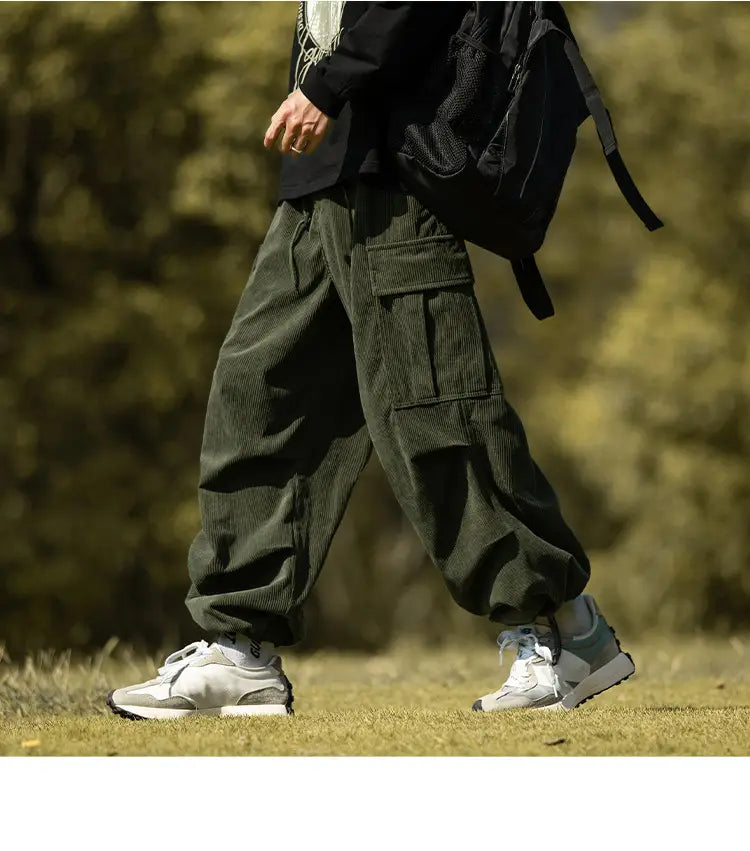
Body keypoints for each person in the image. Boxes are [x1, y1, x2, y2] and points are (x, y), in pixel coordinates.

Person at [107, 1, 634, 721]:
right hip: (322, 181)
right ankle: (240, 647)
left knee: (436, 411)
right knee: (262, 396)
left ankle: (559, 629)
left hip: (397, 175)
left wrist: (329, 86)